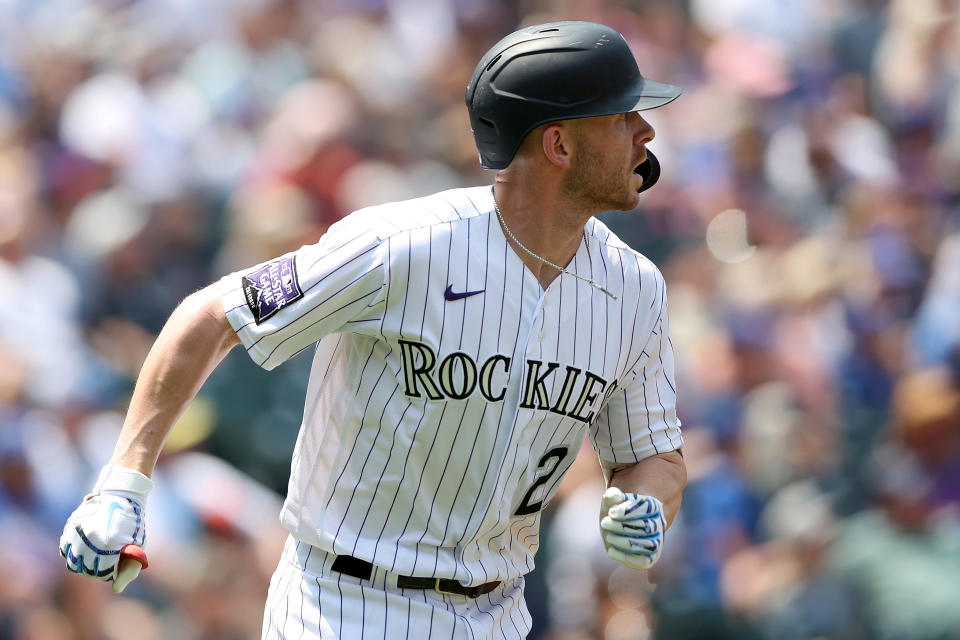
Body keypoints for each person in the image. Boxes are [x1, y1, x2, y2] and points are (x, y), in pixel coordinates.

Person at [59, 20, 686, 639]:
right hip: (344, 602)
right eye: (620, 117)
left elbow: (652, 456)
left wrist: (647, 502)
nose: (645, 132)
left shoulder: (634, 289)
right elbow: (212, 315)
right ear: (559, 145)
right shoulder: (400, 247)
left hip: (497, 614)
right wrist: (123, 479)